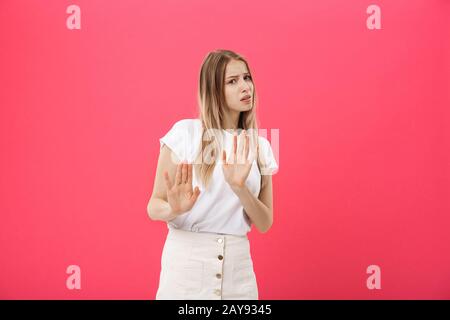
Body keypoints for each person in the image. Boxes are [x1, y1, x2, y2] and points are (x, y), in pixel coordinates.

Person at [147, 49, 278, 300]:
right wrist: (175, 209)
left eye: (247, 78)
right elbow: (154, 206)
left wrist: (239, 187)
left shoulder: (260, 146)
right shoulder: (185, 133)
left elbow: (264, 222)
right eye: (232, 81)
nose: (245, 87)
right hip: (186, 271)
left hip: (238, 275)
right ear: (214, 90)